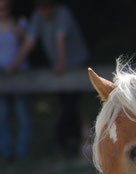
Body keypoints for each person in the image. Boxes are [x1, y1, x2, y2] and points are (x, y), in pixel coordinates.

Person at [8, 0, 89, 157]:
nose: (44, 11)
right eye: (41, 7)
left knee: (74, 104)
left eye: (47, 7)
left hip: (76, 65)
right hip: (60, 69)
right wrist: (15, 65)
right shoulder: (37, 16)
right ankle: (69, 143)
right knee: (66, 104)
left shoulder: (63, 13)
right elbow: (30, 41)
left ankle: (72, 141)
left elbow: (61, 38)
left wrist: (61, 63)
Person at [0, 0, 31, 163]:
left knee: (22, 113)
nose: (1, 11)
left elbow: (29, 44)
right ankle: (7, 154)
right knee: (3, 115)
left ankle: (23, 153)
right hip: (0, 76)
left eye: (4, 7)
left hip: (19, 75)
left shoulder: (19, 23)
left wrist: (15, 64)